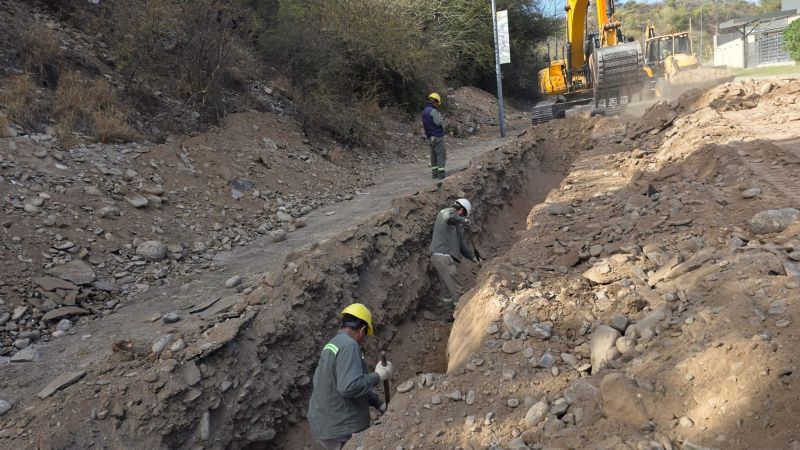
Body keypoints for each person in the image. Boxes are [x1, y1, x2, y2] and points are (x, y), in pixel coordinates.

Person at [307, 303, 394, 450]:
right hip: (340, 429)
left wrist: (377, 403)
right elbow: (349, 386)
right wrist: (378, 375)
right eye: (365, 334)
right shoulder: (349, 346)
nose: (363, 339)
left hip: (324, 423)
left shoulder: (334, 344)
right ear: (362, 330)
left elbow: (345, 381)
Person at [429, 198, 481, 305]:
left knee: (447, 288)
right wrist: (463, 220)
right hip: (443, 257)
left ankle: (449, 310)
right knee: (457, 290)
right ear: (461, 210)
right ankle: (463, 310)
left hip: (441, 258)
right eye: (463, 215)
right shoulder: (446, 212)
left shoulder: (457, 226)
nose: (463, 218)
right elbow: (449, 217)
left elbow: (461, 247)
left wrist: (473, 257)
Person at [422, 92, 446, 179]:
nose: (437, 105)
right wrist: (441, 118)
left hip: (430, 137)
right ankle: (441, 174)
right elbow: (438, 123)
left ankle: (434, 174)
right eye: (437, 103)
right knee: (440, 155)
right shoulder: (433, 111)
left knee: (433, 156)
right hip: (437, 136)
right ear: (435, 101)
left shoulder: (424, 111)